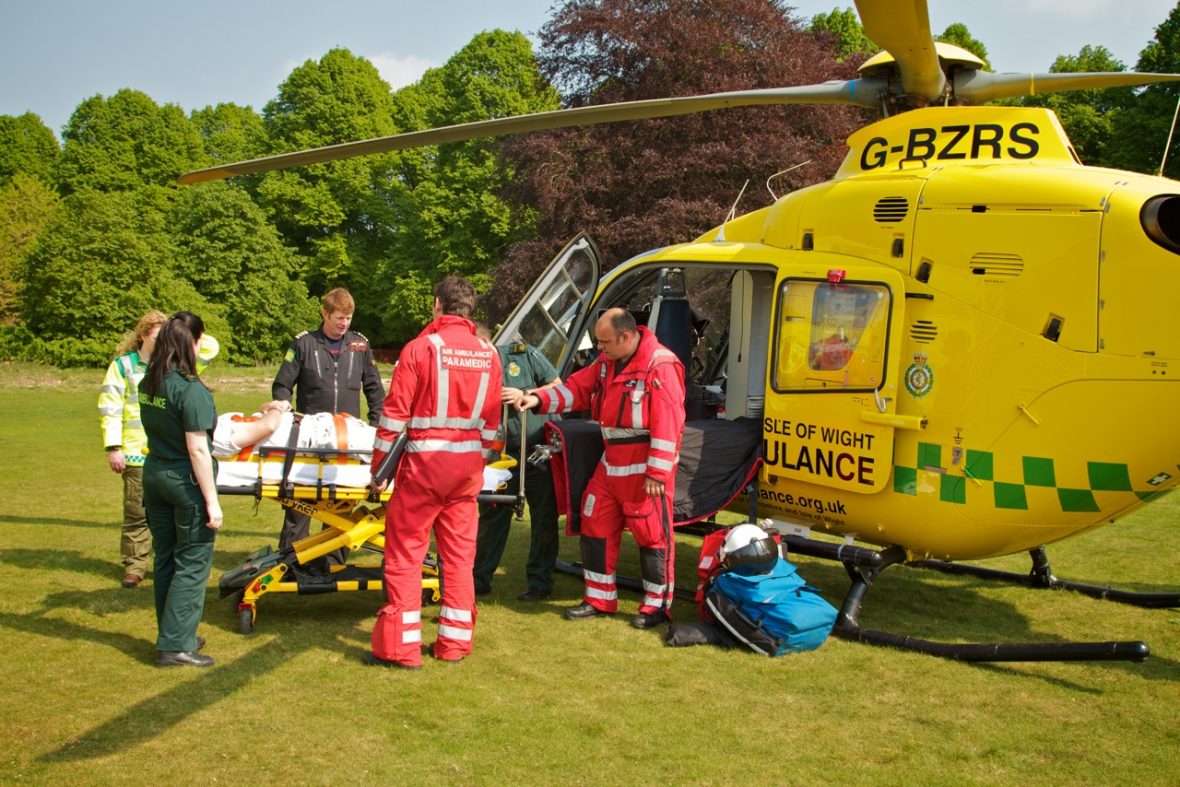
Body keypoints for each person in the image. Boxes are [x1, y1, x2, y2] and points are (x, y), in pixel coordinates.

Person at [515, 308, 686, 629]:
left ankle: (656, 606)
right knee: (595, 524)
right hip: (612, 463)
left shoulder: (660, 364)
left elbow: (670, 421)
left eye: (604, 342)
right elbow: (576, 389)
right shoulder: (607, 363)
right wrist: (536, 399)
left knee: (653, 537)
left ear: (626, 336)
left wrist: (658, 473)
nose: (599, 348)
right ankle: (599, 598)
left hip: (644, 468)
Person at [367, 276, 502, 668]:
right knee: (460, 560)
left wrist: (380, 470)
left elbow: (393, 418)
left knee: (406, 557)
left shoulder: (420, 349)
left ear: (437, 304)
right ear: (470, 310)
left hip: (423, 470)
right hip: (466, 474)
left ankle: (400, 648)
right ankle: (454, 645)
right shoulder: (489, 354)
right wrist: (481, 461)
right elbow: (492, 423)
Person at [99, 310, 219, 589]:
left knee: (162, 526)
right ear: (142, 335)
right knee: (136, 514)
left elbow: (211, 347)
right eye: (157, 334)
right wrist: (113, 445)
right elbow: (110, 407)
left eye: (166, 334)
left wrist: (184, 333)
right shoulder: (125, 366)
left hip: (164, 452)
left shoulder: (168, 368)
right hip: (137, 450)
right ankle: (135, 565)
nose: (162, 338)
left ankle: (158, 567)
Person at [272, 287, 385, 556]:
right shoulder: (303, 343)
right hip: (310, 438)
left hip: (347, 439)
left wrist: (376, 428)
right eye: (339, 319)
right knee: (300, 504)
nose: (344, 325)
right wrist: (283, 406)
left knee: (341, 506)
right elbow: (282, 386)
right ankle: (289, 560)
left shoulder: (360, 345)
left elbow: (375, 390)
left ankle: (333, 561)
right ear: (325, 313)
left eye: (348, 319)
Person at [138, 311, 221, 668]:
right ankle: (175, 645)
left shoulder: (150, 382)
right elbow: (198, 449)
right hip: (183, 481)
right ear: (193, 343)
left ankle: (175, 632)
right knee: (192, 562)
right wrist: (212, 501)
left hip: (155, 474)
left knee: (166, 559)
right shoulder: (191, 390)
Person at [472, 330, 562, 601]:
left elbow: (558, 385)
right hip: (498, 456)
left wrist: (525, 393)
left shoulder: (521, 355)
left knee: (544, 519)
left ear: (488, 343)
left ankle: (540, 582)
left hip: (537, 452)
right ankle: (478, 580)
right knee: (492, 516)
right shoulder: (470, 368)